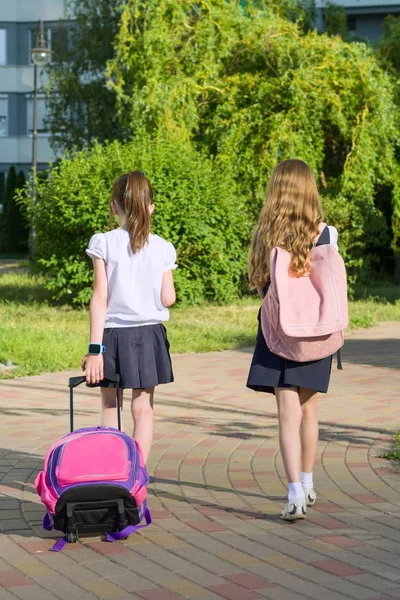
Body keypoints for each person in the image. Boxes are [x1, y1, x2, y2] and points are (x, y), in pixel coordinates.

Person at [246, 159, 339, 521]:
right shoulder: (326, 233)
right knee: (309, 410)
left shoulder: (266, 233)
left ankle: (294, 495)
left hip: (278, 332)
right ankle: (309, 480)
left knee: (286, 413)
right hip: (316, 332)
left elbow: (259, 283)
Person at [81, 170, 177, 463]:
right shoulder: (162, 247)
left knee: (110, 405)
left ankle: (113, 470)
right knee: (143, 409)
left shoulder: (104, 242)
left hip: (111, 335)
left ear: (114, 206)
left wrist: (94, 350)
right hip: (149, 336)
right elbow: (168, 298)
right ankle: (139, 475)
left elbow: (100, 297)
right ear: (151, 208)